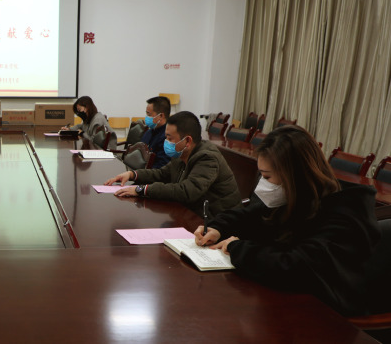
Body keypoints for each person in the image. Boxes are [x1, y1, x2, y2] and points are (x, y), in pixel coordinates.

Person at [194, 125, 380, 316]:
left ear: (294, 175)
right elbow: (249, 216)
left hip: (326, 314)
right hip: (286, 303)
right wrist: (217, 228)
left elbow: (294, 268)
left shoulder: (346, 214)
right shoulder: (296, 196)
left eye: (267, 177)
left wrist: (236, 247)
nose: (262, 185)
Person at [104, 111, 241, 215]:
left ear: (187, 141)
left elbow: (186, 191)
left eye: (170, 138)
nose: (166, 142)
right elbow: (162, 174)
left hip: (218, 222)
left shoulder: (207, 157)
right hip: (190, 212)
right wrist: (132, 175)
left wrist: (141, 189)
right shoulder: (181, 153)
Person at [141, 96, 171, 168]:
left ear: (161, 116)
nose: (146, 117)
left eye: (149, 114)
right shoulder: (149, 132)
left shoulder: (167, 138)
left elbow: (161, 166)